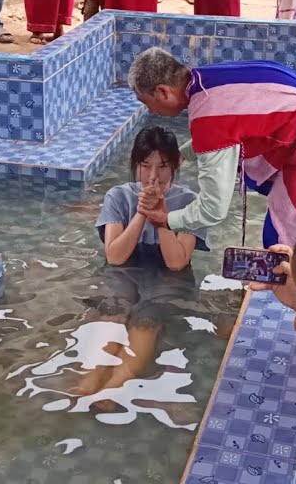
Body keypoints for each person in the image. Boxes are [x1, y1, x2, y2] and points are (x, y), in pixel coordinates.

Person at [127, 47, 296, 262]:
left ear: (162, 92)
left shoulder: (207, 117)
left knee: (290, 242)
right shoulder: (207, 79)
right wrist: (183, 155)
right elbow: (233, 123)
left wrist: (167, 220)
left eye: (146, 102)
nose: (151, 111)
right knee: (289, 228)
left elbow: (213, 208)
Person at [78, 125, 208, 396]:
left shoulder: (190, 202)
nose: (153, 176)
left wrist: (161, 218)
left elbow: (177, 263)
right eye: (145, 165)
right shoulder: (118, 196)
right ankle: (89, 381)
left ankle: (115, 386)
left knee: (146, 319)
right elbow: (114, 257)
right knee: (115, 310)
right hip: (125, 269)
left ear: (174, 165)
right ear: (136, 165)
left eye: (162, 166)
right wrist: (141, 212)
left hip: (170, 276)